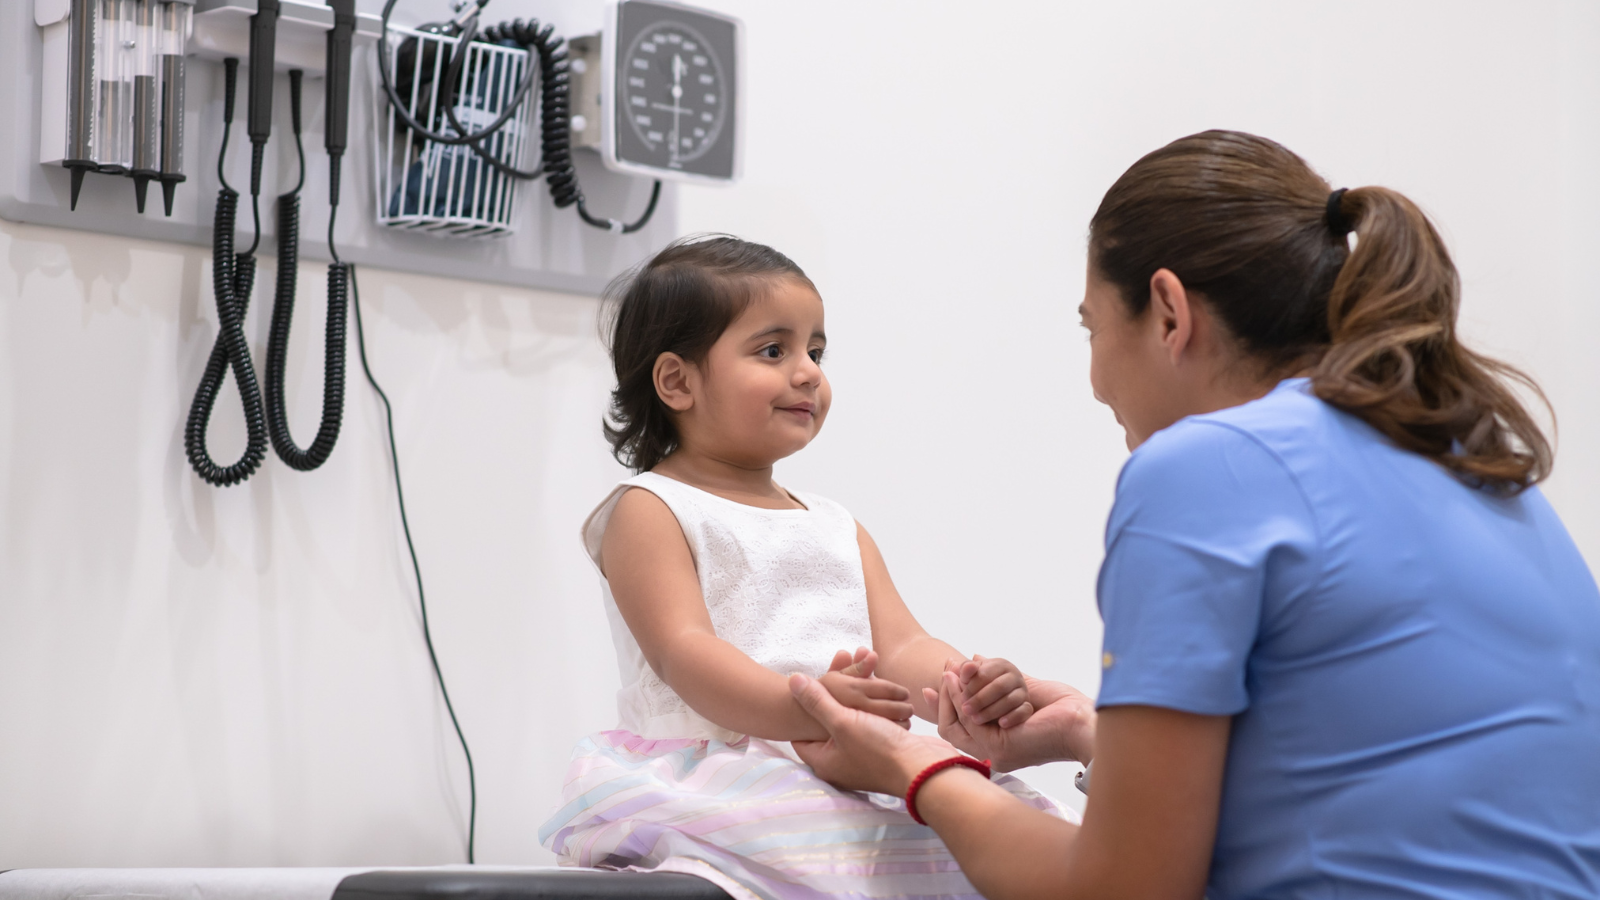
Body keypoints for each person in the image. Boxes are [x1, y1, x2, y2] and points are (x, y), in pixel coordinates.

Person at [786, 130, 1600, 899]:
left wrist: (913, 768)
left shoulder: (1207, 467)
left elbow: (1121, 888)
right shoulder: (1465, 457)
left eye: (1093, 328)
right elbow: (1379, 769)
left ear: (1170, 313)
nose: (1097, 381)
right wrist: (1083, 728)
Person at [538, 236, 1067, 900]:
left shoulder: (834, 522)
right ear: (677, 381)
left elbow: (902, 644)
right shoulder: (650, 509)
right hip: (728, 767)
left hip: (847, 755)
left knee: (992, 830)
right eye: (773, 350)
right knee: (813, 852)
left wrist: (963, 684)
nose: (808, 372)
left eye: (816, 351)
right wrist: (809, 706)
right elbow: (685, 651)